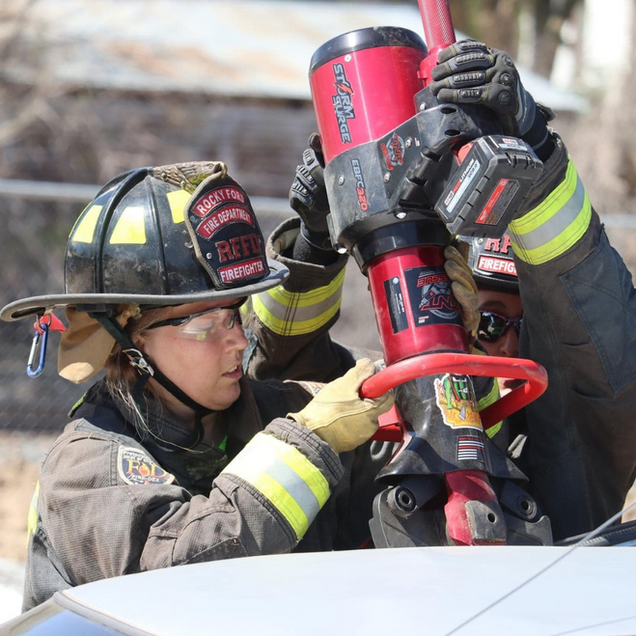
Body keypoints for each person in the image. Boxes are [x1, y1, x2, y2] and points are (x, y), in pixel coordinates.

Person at [247, 40, 636, 543]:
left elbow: (605, 346)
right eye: (492, 321)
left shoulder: (577, 447)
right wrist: (313, 245)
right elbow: (280, 374)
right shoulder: (388, 408)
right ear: (447, 303)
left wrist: (535, 147)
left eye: (533, 327)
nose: (512, 346)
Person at [0, 161, 397, 612]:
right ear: (131, 339)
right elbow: (175, 576)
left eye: (235, 315)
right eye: (206, 324)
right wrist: (310, 446)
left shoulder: (277, 411)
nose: (239, 341)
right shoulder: (86, 468)